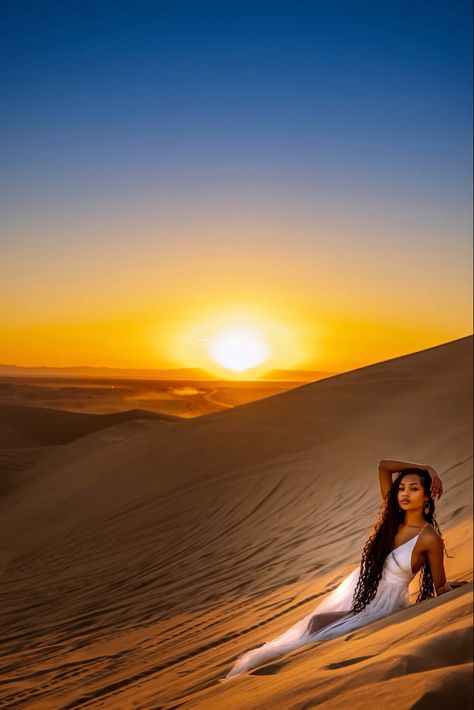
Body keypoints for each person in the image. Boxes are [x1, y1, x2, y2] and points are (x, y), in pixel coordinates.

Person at [221, 459, 454, 681]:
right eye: (401, 488)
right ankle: (271, 659)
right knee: (312, 624)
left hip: (381, 603)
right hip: (358, 589)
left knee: (317, 625)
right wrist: (425, 468)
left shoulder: (429, 538)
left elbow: (440, 586)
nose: (404, 493)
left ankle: (284, 669)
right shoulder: (393, 518)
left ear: (427, 496)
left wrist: (455, 591)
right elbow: (383, 466)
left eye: (413, 488)